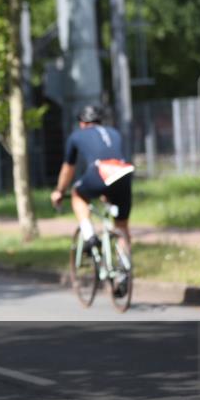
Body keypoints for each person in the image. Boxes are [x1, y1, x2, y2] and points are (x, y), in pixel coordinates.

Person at [50, 105, 135, 288]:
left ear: (82, 123)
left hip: (100, 172)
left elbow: (68, 168)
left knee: (77, 194)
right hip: (123, 173)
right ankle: (123, 270)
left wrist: (59, 191)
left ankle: (89, 236)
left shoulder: (76, 135)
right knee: (121, 226)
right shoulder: (114, 132)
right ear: (100, 121)